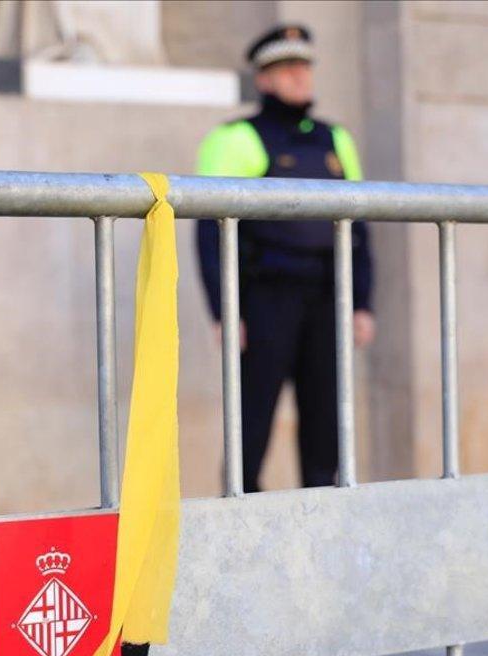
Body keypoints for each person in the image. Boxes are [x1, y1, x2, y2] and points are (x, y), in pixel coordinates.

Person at [195, 23, 375, 493]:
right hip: (266, 299)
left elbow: (358, 227)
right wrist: (225, 310)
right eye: (286, 68)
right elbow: (210, 231)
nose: (299, 76)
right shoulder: (235, 138)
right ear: (263, 78)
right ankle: (241, 532)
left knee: (325, 430)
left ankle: (318, 535)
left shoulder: (335, 140)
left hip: (325, 298)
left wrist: (361, 301)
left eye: (304, 66)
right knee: (251, 427)